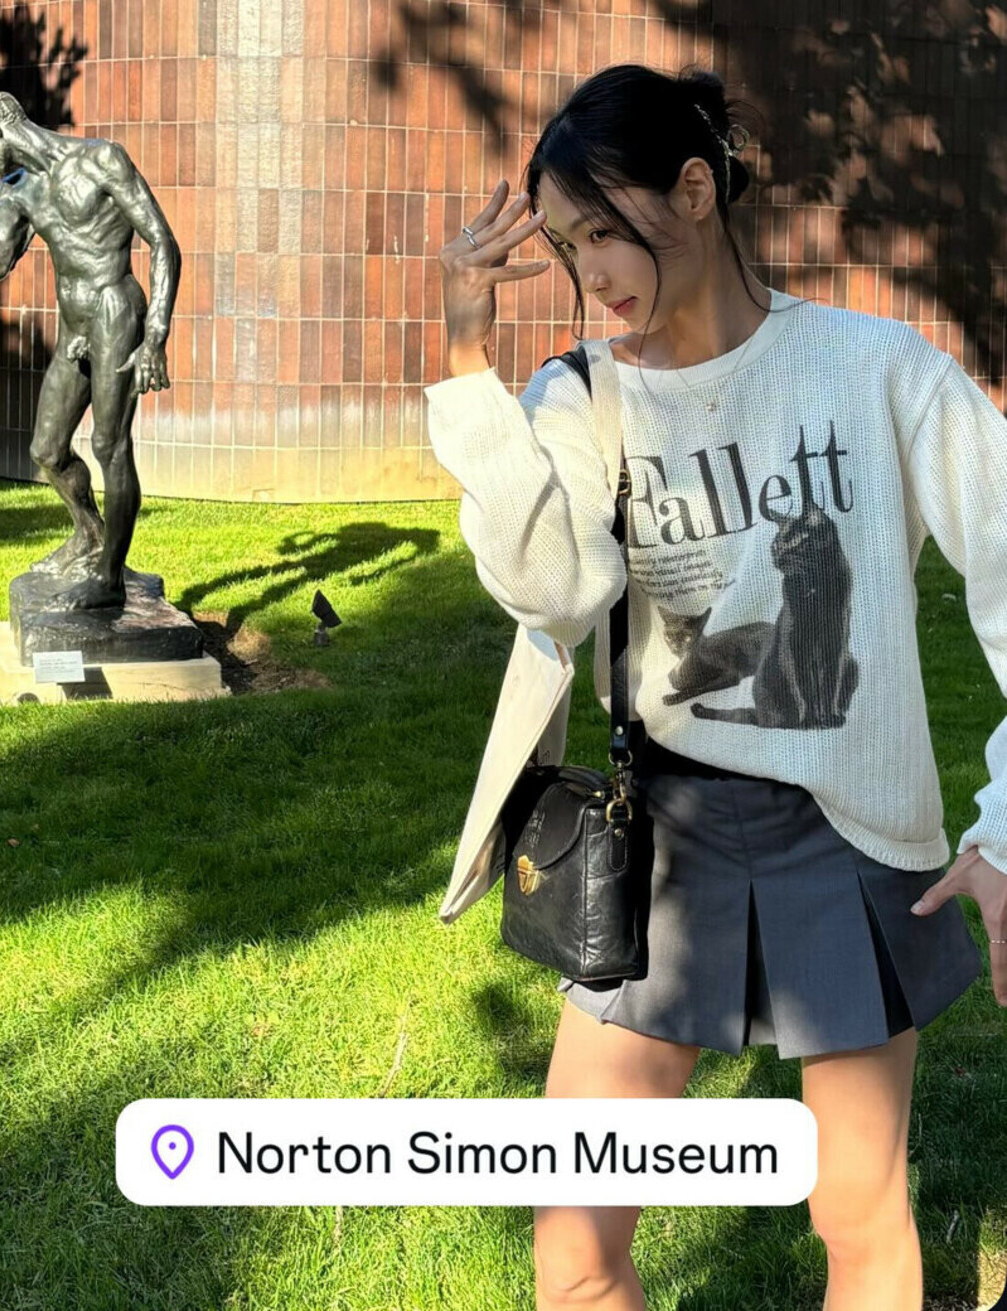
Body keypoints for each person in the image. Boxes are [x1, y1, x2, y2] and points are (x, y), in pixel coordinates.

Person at [424, 63, 1007, 1311]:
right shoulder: (581, 393)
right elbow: (556, 593)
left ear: (695, 191)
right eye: (567, 246)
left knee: (858, 1222)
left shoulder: (873, 369)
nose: (591, 273)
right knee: (574, 1246)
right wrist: (471, 376)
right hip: (664, 839)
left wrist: (1006, 830)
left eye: (604, 231)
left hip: (851, 838)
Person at [0, 90, 180, 610]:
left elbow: (162, 241)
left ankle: (110, 579)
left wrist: (155, 334)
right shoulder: (16, 190)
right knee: (46, 449)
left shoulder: (101, 159)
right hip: (74, 325)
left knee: (110, 444)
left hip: (115, 310)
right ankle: (91, 535)